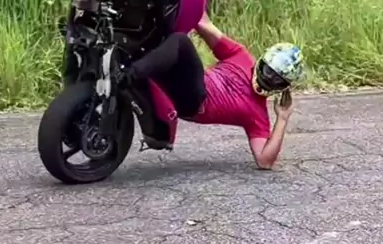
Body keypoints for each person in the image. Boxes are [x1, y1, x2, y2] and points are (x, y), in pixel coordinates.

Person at [121, 12, 304, 170]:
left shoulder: (258, 114)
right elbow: (203, 24)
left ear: (282, 88)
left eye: (277, 80)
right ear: (262, 61)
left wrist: (283, 118)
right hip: (179, 81)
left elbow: (264, 161)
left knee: (181, 42)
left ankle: (127, 75)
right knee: (160, 29)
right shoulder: (242, 56)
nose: (269, 79)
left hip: (194, 101)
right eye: (268, 71)